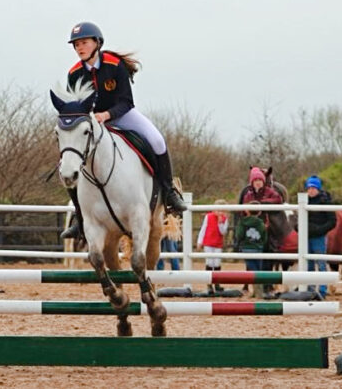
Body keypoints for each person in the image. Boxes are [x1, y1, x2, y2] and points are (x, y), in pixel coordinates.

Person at [60, 21, 187, 240]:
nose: (79, 48)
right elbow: (74, 107)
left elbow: (126, 101)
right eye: (76, 44)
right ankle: (80, 218)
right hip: (92, 124)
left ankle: (169, 193)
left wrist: (106, 115)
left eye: (84, 42)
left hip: (122, 115)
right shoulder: (74, 74)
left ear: (97, 43)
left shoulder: (114, 65)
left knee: (157, 140)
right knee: (68, 163)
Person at [305, 175, 336, 299]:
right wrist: (299, 227)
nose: (310, 190)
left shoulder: (325, 201)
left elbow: (332, 221)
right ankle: (310, 290)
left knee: (321, 264)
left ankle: (322, 290)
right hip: (307, 237)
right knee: (309, 265)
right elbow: (298, 218)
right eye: (309, 188)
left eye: (313, 188)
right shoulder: (304, 201)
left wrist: (320, 230)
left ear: (318, 189)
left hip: (319, 238)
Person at [235, 201, 267, 296]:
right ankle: (258, 290)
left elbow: (239, 235)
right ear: (259, 212)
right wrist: (261, 244)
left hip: (246, 248)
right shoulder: (261, 223)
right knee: (258, 269)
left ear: (247, 211)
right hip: (258, 248)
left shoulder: (242, 222)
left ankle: (257, 291)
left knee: (252, 269)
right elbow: (264, 237)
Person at [196, 199, 229, 294]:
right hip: (208, 242)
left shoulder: (225, 219)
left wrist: (220, 223)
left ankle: (217, 283)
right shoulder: (208, 216)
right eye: (218, 210)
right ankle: (209, 284)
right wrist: (199, 241)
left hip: (218, 244)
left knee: (217, 263)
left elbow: (223, 232)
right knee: (209, 262)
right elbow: (203, 229)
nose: (219, 212)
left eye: (222, 211)